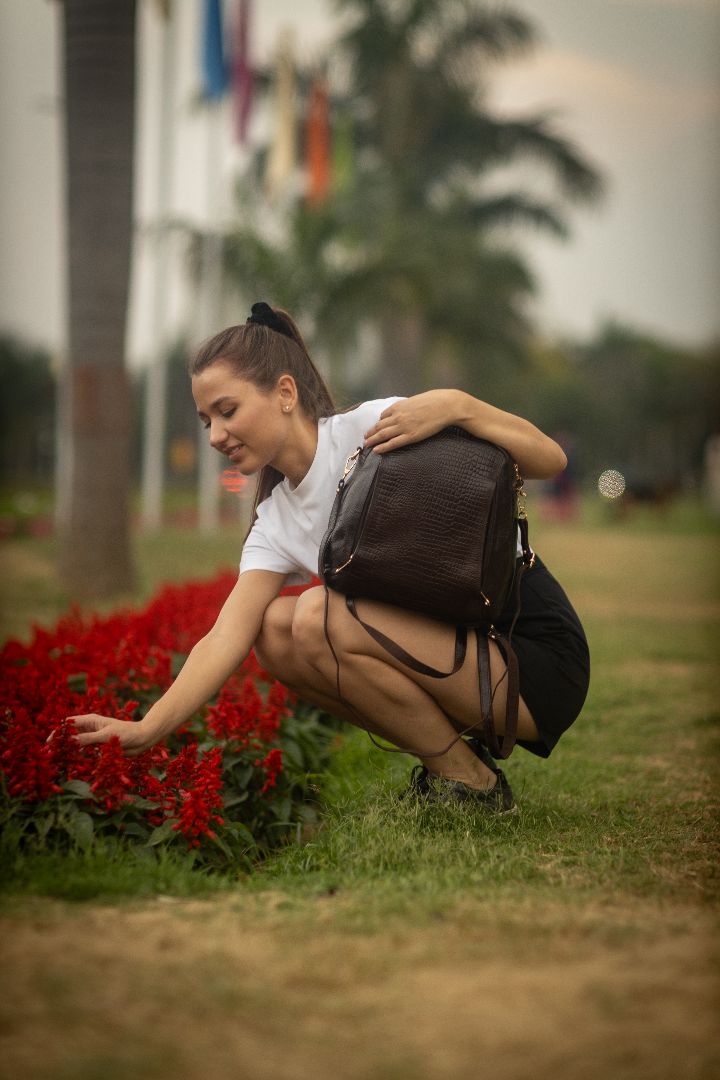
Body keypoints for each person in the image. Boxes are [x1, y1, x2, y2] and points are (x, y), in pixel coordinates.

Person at [68, 303, 590, 813]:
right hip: (463, 663)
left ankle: (466, 780)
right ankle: (462, 773)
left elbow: (551, 461)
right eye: (206, 421)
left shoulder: (372, 429)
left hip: (532, 657)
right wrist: (148, 727)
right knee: (273, 628)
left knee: (317, 613)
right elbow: (226, 635)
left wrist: (459, 405)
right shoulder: (274, 521)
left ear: (285, 393)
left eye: (227, 411)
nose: (216, 436)